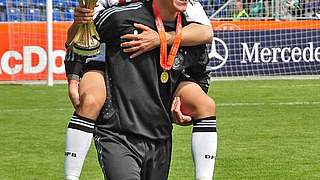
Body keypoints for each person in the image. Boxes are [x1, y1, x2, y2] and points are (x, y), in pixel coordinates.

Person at [63, 0, 216, 180]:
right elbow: (81, 35)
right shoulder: (120, 17)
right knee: (91, 99)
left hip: (159, 132)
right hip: (117, 127)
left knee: (205, 104)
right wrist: (73, 76)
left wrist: (160, 38)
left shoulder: (189, 16)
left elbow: (206, 35)